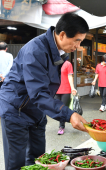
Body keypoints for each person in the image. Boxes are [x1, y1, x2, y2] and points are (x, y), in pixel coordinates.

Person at [0, 12, 89, 170]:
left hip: (36, 109)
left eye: (81, 41)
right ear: (62, 35)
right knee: (16, 163)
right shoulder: (35, 51)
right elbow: (38, 93)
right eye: (77, 40)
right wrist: (69, 114)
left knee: (38, 158)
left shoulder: (60, 52)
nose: (78, 46)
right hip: (16, 109)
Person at [54, 59, 77, 135]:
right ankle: (66, 119)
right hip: (56, 90)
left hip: (66, 90)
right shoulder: (54, 63)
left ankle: (61, 126)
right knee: (57, 109)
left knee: (63, 109)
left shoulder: (67, 64)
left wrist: (73, 88)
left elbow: (70, 77)